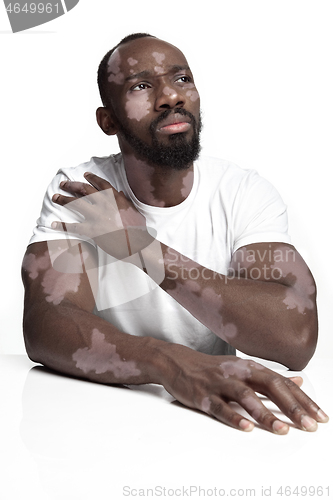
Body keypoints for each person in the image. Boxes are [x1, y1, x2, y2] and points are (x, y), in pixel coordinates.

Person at [22, 33, 329, 434]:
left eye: (182, 79)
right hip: (97, 417)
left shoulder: (242, 192)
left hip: (212, 422)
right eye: (142, 86)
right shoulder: (83, 189)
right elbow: (46, 322)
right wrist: (168, 364)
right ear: (108, 120)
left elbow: (295, 337)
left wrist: (142, 248)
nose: (170, 96)